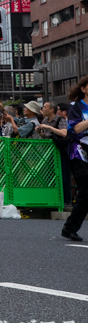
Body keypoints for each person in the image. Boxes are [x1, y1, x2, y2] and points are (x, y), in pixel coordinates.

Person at [64, 76, 88, 241]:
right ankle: (70, 227)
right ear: (84, 89)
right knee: (86, 191)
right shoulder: (76, 107)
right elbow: (75, 128)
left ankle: (70, 227)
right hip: (80, 151)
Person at [39, 102, 71, 207]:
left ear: (51, 110)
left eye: (45, 107)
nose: (43, 109)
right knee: (51, 174)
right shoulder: (44, 120)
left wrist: (49, 128)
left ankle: (66, 200)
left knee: (63, 175)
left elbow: (63, 133)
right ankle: (54, 199)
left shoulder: (59, 119)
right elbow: (45, 136)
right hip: (49, 152)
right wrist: (40, 132)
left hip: (60, 150)